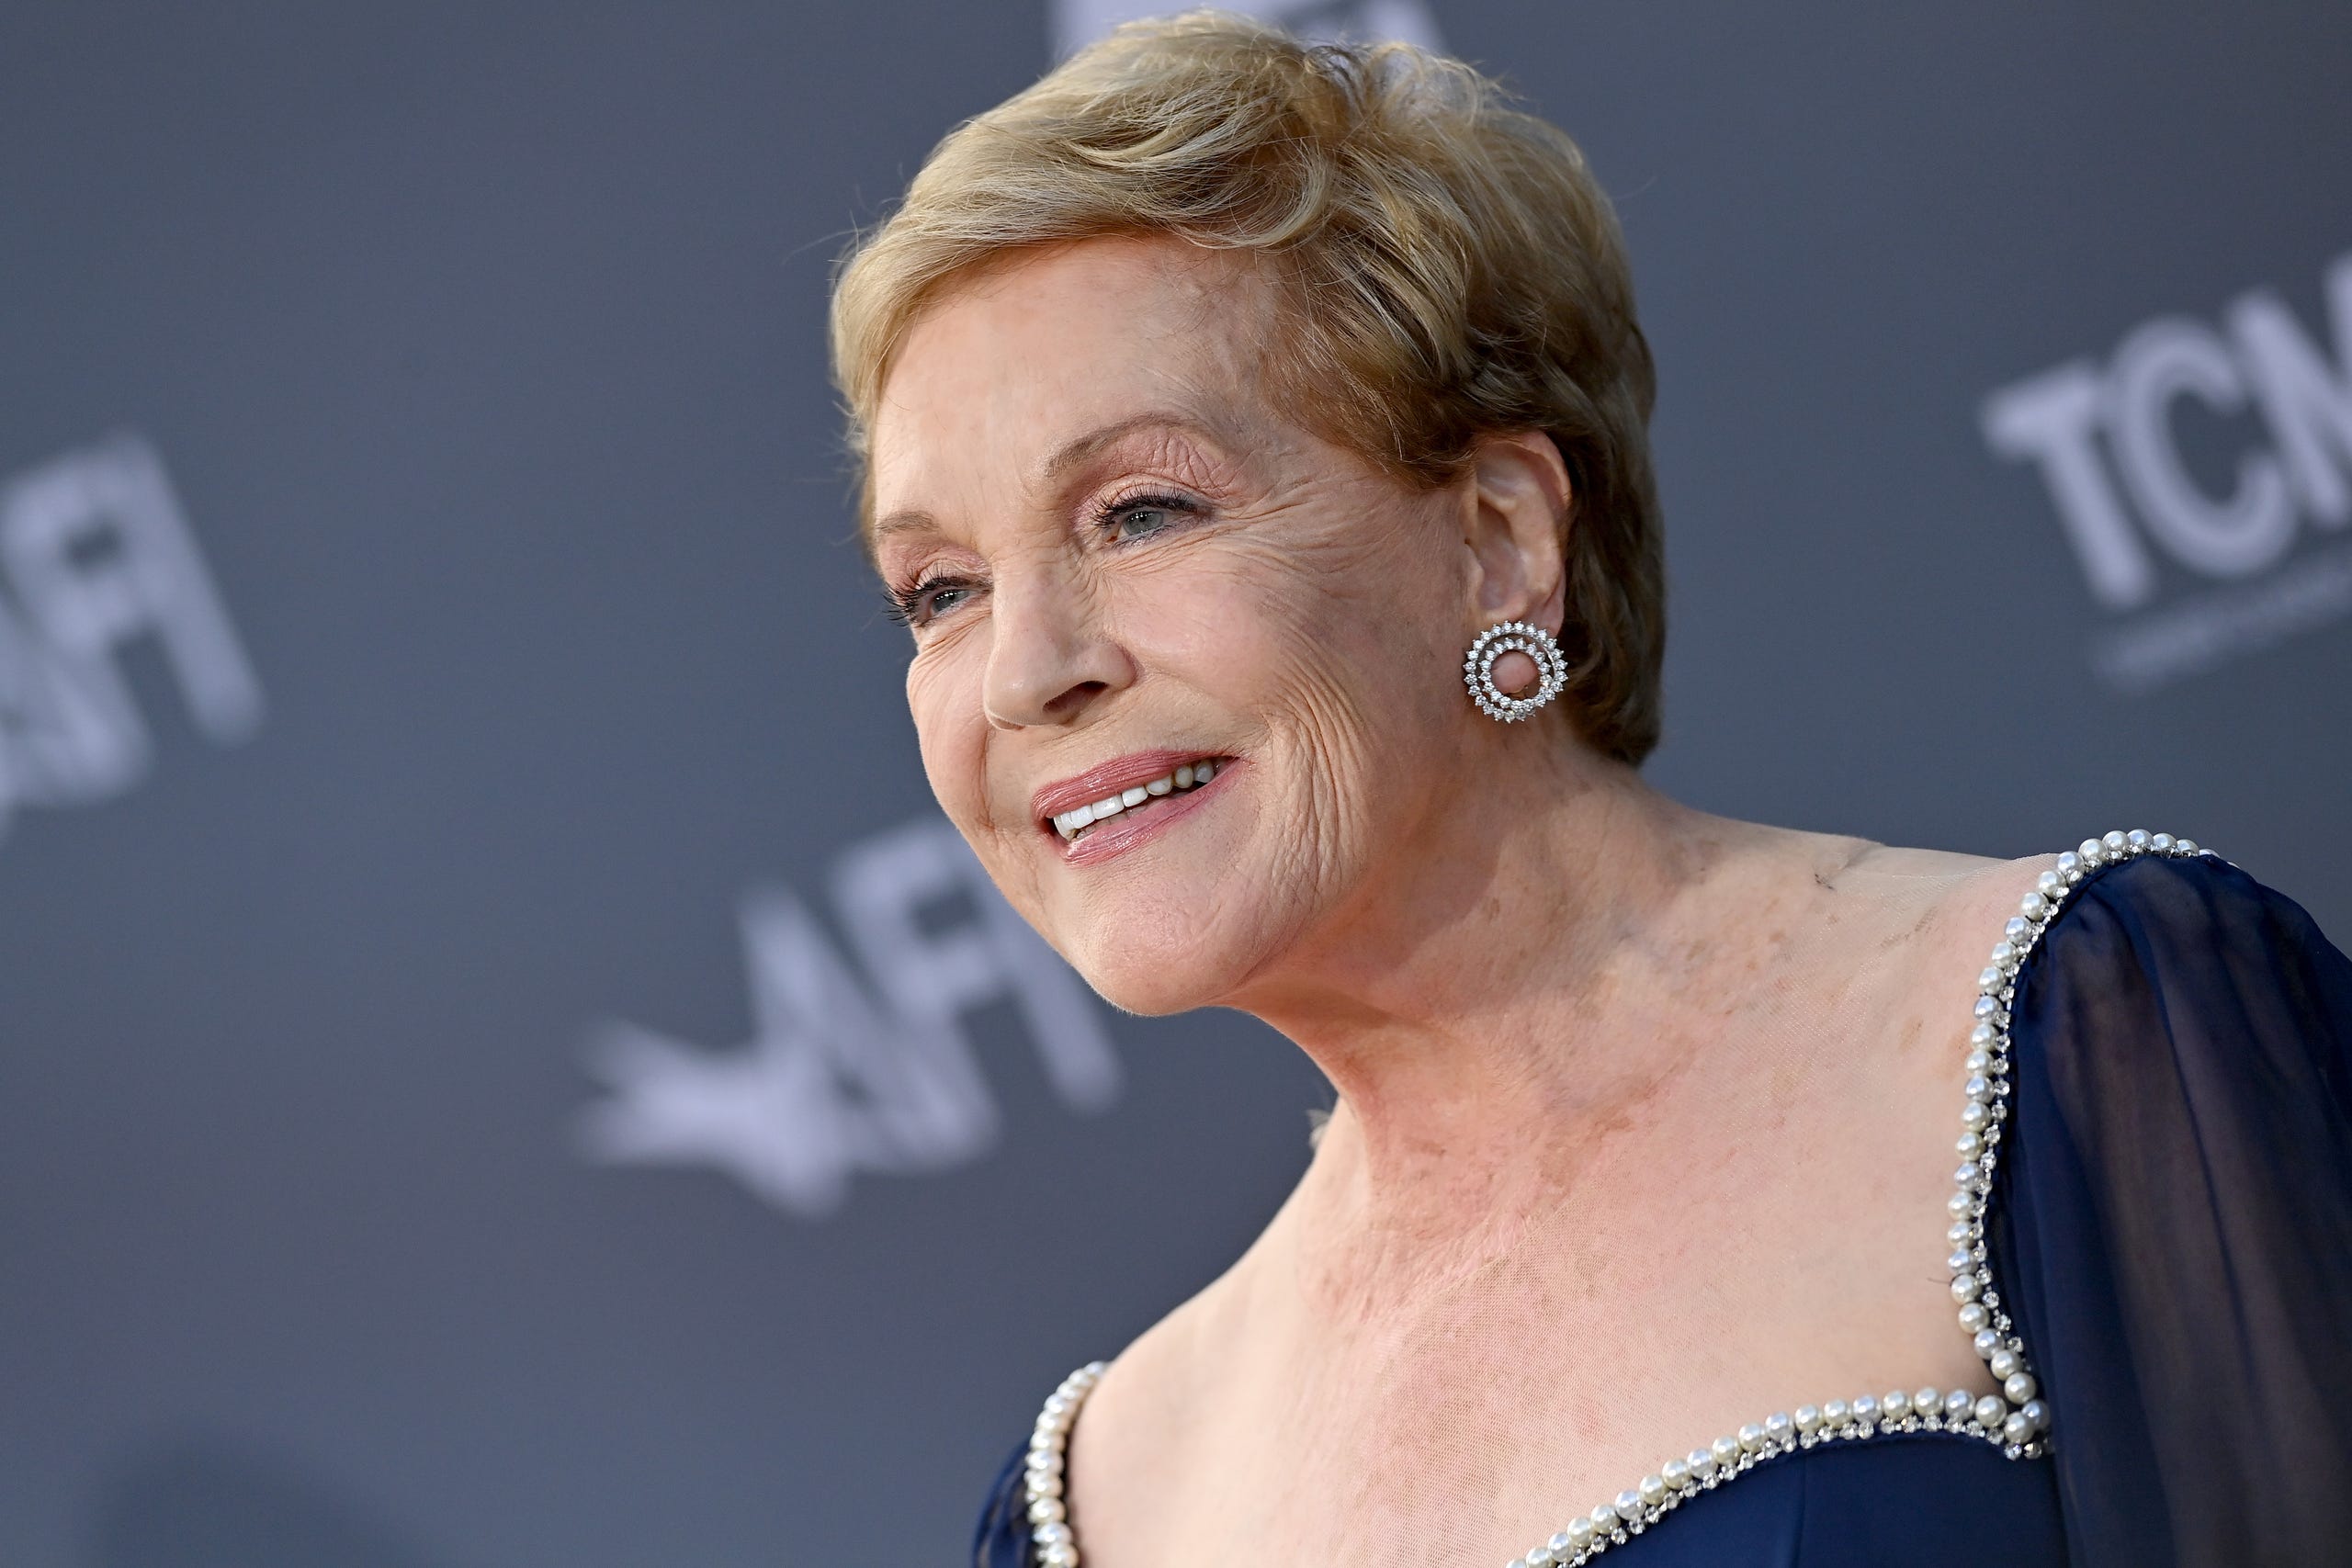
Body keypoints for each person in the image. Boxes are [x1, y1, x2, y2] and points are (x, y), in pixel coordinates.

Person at [826, 14, 2352, 1567]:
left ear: (1496, 535)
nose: (1028, 672)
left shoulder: (2078, 1041)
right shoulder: (1089, 1503)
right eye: (939, 590)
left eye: (1140, 511)